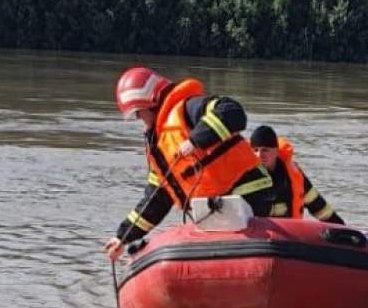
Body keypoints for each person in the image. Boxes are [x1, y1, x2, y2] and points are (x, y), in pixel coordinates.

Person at [103, 67, 274, 261]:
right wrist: (123, 237)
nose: (139, 120)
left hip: (248, 194)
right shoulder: (159, 149)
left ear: (151, 102)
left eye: (138, 113)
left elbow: (232, 111)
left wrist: (196, 140)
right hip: (217, 212)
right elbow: (155, 201)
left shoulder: (188, 108)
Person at [249, 125, 344, 224]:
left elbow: (319, 207)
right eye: (255, 150)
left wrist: (343, 229)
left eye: (265, 150)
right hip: (257, 234)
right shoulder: (245, 176)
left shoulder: (294, 175)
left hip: (289, 234)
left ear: (276, 151)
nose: (259, 155)